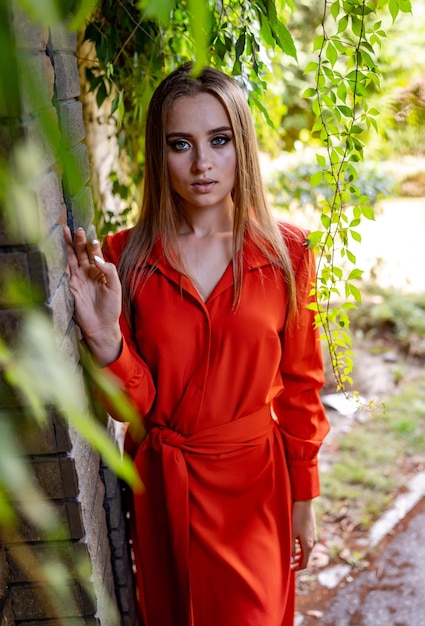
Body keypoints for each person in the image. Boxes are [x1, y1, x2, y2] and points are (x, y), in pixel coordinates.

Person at [64, 63, 330, 626]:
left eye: (219, 140)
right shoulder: (125, 258)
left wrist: (304, 499)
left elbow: (303, 388)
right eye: (180, 144)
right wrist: (106, 338)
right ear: (159, 154)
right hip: (166, 493)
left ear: (243, 146)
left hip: (254, 495)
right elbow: (127, 408)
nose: (202, 164)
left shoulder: (289, 254)